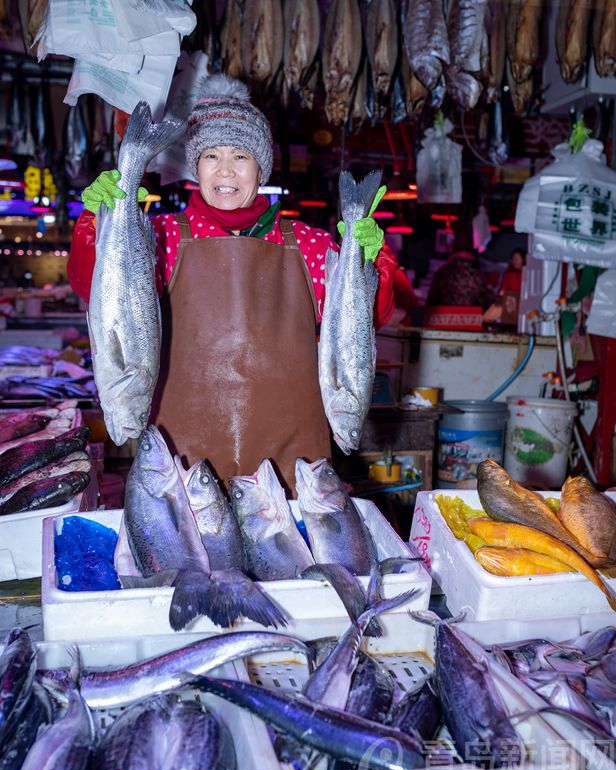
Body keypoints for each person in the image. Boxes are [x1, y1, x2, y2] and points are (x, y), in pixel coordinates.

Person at [67, 75, 397, 492]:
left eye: (240, 156)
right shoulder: (160, 237)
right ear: (195, 166)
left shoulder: (311, 244)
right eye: (211, 155)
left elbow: (367, 323)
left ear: (261, 167)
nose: (225, 170)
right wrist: (96, 224)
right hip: (184, 466)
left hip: (293, 469)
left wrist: (372, 261)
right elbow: (92, 287)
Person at [426, 249, 491, 308]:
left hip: (443, 316)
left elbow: (432, 299)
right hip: (469, 317)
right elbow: (483, 301)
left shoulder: (442, 272)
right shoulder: (478, 275)